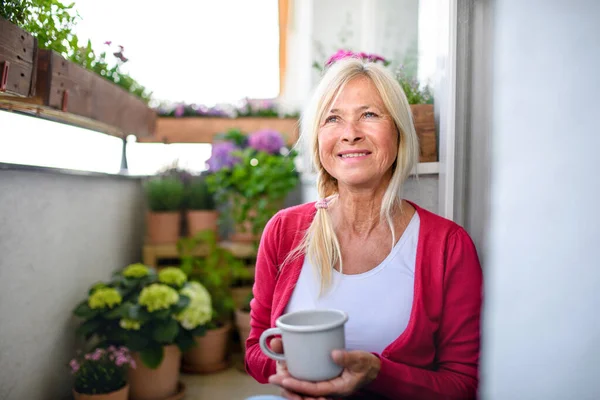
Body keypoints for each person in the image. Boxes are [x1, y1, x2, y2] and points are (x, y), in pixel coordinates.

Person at [244, 55, 483, 400]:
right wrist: (289, 371)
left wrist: (376, 373)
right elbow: (256, 348)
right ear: (318, 139)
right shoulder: (284, 230)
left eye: (369, 114)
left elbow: (462, 384)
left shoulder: (448, 246)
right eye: (333, 118)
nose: (350, 134)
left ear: (399, 132)